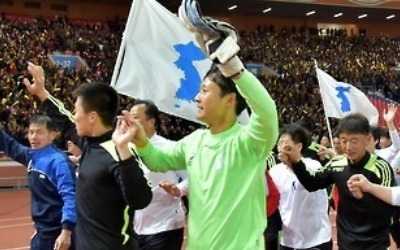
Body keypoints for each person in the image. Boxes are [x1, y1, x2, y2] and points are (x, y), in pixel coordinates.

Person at [112, 13, 279, 250]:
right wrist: (140, 139)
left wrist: (234, 69)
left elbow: (267, 111)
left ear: (230, 100)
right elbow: (159, 161)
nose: (197, 97)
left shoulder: (250, 142)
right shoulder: (195, 141)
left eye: (205, 91)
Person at [23, 63, 153, 249]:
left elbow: (141, 199)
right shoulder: (89, 144)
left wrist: (124, 149)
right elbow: (65, 121)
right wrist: (43, 93)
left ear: (92, 117)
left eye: (77, 111)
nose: (74, 116)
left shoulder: (120, 151)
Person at [281, 113, 396, 250]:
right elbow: (312, 183)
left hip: (375, 245)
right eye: (343, 140)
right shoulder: (336, 164)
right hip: (346, 243)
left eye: (354, 141)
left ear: (368, 139)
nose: (348, 147)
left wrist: (365, 195)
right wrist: (296, 162)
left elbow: (391, 210)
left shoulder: (381, 168)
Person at [0, 114, 76, 250]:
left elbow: (70, 197)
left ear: (52, 135)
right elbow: (10, 145)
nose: (34, 137)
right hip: (42, 233)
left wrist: (66, 231)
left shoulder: (59, 162)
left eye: (40, 132)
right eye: (31, 132)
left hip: (58, 234)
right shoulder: (31, 156)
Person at [129, 99, 187, 250]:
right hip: (135, 227)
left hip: (166, 225)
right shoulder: (125, 149)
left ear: (151, 121)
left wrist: (178, 189)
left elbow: (192, 177)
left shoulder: (169, 148)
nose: (130, 121)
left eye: (135, 117)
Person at [270, 124, 332, 250]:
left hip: (316, 239)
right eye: (279, 143)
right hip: (288, 240)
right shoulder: (275, 172)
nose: (281, 148)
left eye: (286, 144)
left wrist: (294, 165)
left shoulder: (313, 166)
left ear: (299, 147)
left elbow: (309, 182)